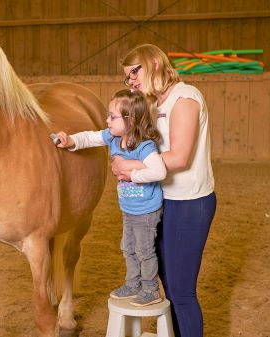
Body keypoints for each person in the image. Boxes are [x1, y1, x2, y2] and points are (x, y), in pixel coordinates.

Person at [115, 44, 216, 337]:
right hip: (163, 200)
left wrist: (130, 167)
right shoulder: (155, 104)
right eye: (127, 76)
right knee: (168, 287)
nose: (131, 79)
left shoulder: (185, 98)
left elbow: (180, 157)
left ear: (156, 63)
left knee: (182, 292)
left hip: (189, 202)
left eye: (135, 71)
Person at [54, 88, 166, 306]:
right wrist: (71, 141)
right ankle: (133, 284)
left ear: (130, 119)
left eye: (112, 117)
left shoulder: (145, 146)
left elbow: (159, 171)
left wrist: (132, 174)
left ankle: (151, 289)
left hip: (146, 211)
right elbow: (91, 137)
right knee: (128, 247)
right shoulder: (114, 138)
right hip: (129, 209)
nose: (107, 120)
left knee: (144, 250)